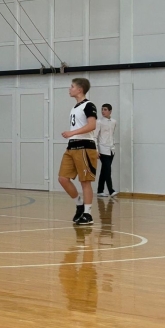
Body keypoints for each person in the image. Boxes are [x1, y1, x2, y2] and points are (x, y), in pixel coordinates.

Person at [58, 78, 98, 226]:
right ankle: (79, 204)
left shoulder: (89, 105)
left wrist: (72, 132)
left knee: (85, 181)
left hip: (85, 146)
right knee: (63, 178)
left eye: (72, 86)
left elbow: (92, 125)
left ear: (80, 89)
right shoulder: (75, 107)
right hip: (72, 146)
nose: (70, 89)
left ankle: (88, 214)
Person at [95, 103, 117, 198]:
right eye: (102, 109)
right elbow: (95, 136)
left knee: (104, 170)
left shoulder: (114, 121)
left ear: (110, 111)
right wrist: (96, 150)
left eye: (105, 109)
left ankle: (100, 190)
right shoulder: (99, 122)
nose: (103, 111)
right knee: (108, 169)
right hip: (102, 149)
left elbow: (111, 134)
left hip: (111, 149)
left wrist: (113, 146)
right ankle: (111, 190)